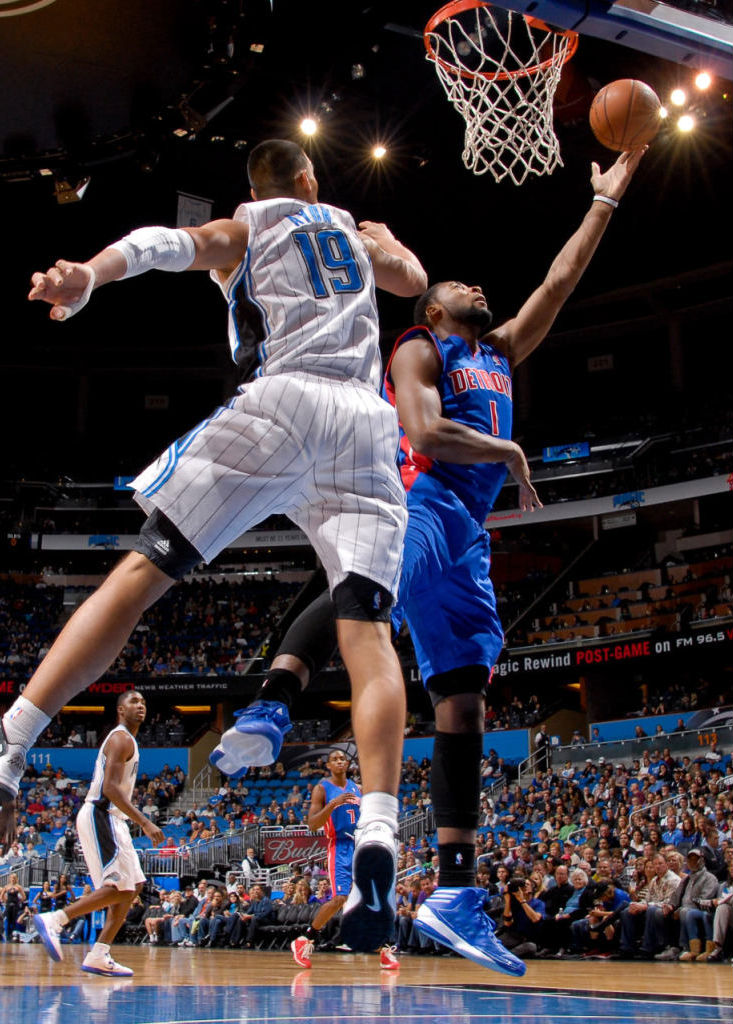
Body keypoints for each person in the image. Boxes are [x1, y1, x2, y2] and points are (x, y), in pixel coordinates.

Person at [219, 150, 645, 971]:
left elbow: (558, 282)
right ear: (435, 306)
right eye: (462, 289)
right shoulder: (420, 348)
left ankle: (454, 893)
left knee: (463, 702)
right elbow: (423, 435)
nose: (478, 292)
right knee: (364, 589)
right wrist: (508, 450)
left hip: (468, 537)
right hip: (421, 499)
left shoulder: (503, 347)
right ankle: (272, 703)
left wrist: (601, 204)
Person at [2, 138, 428, 950]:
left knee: (143, 572)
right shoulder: (350, 231)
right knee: (368, 637)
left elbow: (168, 246)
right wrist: (392, 246)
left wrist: (88, 276)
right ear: (311, 178)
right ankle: (379, 827)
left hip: (282, 407)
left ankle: (13, 742)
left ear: (256, 188)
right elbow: (410, 281)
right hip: (366, 427)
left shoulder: (246, 225)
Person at [33, 690, 164, 975]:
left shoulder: (128, 739)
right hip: (101, 814)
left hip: (112, 818)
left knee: (134, 887)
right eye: (133, 702)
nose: (140, 706)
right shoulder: (120, 738)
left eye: (143, 702)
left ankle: (99, 954)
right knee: (117, 887)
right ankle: (56, 918)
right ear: (120, 710)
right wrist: (144, 821)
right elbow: (110, 789)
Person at [290, 748, 399, 970]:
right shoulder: (322, 789)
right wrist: (333, 804)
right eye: (335, 759)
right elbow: (312, 824)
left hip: (360, 843)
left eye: (343, 758)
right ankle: (304, 940)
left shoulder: (358, 789)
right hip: (338, 846)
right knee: (340, 898)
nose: (340, 761)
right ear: (328, 765)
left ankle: (384, 948)